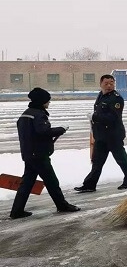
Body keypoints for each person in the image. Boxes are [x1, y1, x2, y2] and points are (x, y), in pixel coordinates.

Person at [10, 88, 81, 219]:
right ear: (42, 101)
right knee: (52, 181)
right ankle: (62, 205)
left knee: (27, 183)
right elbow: (43, 131)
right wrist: (61, 129)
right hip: (39, 155)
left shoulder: (25, 114)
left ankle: (17, 210)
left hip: (29, 154)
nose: (49, 102)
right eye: (47, 100)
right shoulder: (38, 114)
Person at [74, 74, 127, 193]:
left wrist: (95, 117)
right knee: (97, 162)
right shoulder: (101, 96)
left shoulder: (116, 98)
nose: (109, 86)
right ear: (100, 84)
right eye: (106, 83)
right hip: (101, 136)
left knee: (122, 160)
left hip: (113, 136)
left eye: (111, 83)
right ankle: (90, 185)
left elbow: (113, 117)